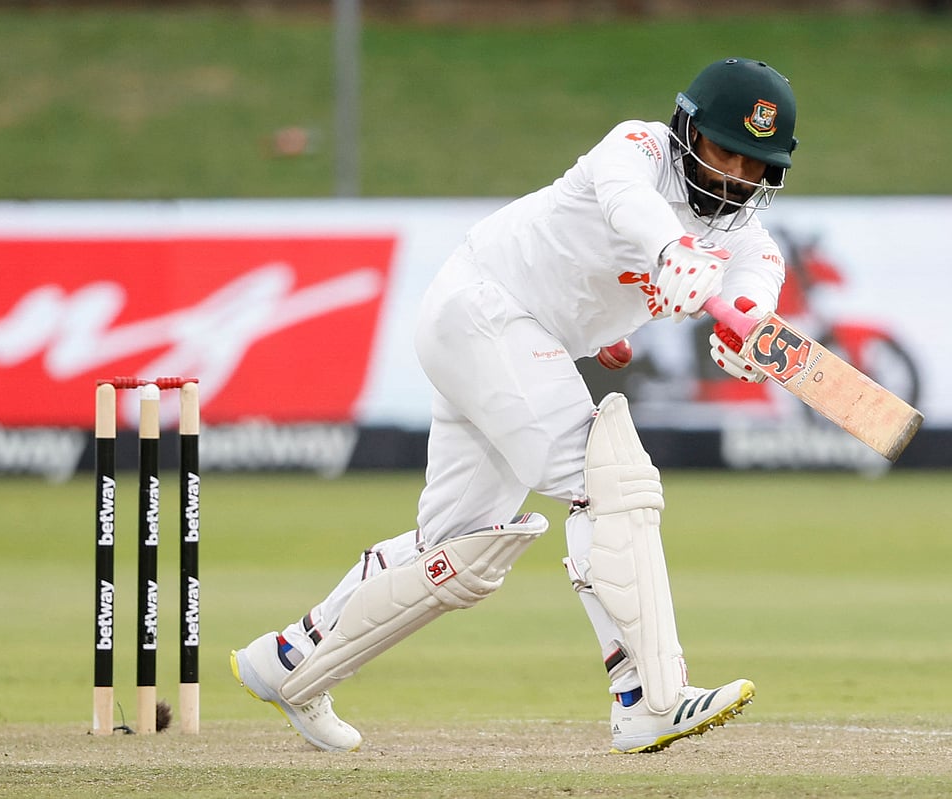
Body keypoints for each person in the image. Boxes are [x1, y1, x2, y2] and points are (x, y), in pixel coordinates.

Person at [231, 56, 799, 754]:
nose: (736, 177)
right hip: (486, 310)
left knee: (461, 552)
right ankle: (648, 697)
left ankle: (289, 660)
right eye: (724, 152)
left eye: (755, 165)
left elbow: (757, 272)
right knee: (608, 481)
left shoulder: (738, 228)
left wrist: (748, 326)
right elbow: (631, 207)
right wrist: (670, 250)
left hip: (505, 341)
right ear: (687, 130)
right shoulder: (638, 149)